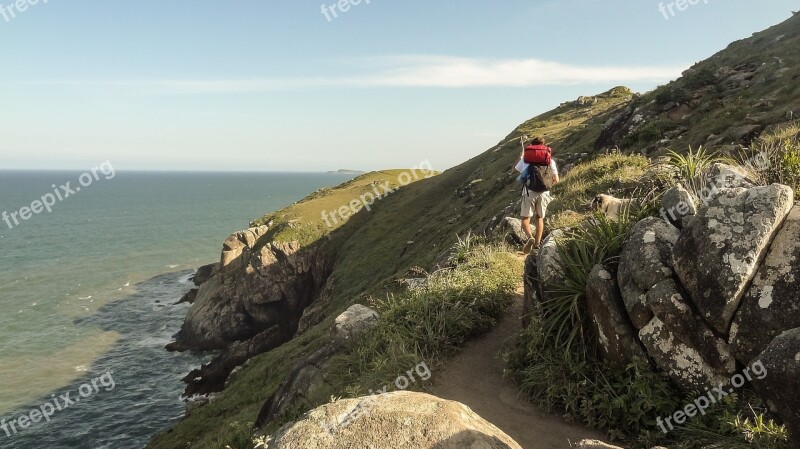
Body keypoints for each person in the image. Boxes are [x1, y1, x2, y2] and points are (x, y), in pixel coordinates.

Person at [513, 136, 559, 254]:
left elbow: (514, 169)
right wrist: (547, 185)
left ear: (532, 146)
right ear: (544, 145)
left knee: (525, 219)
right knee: (539, 218)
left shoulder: (526, 160)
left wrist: (521, 156)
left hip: (528, 192)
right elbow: (556, 179)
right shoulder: (549, 160)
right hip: (544, 193)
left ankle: (530, 238)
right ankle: (537, 244)